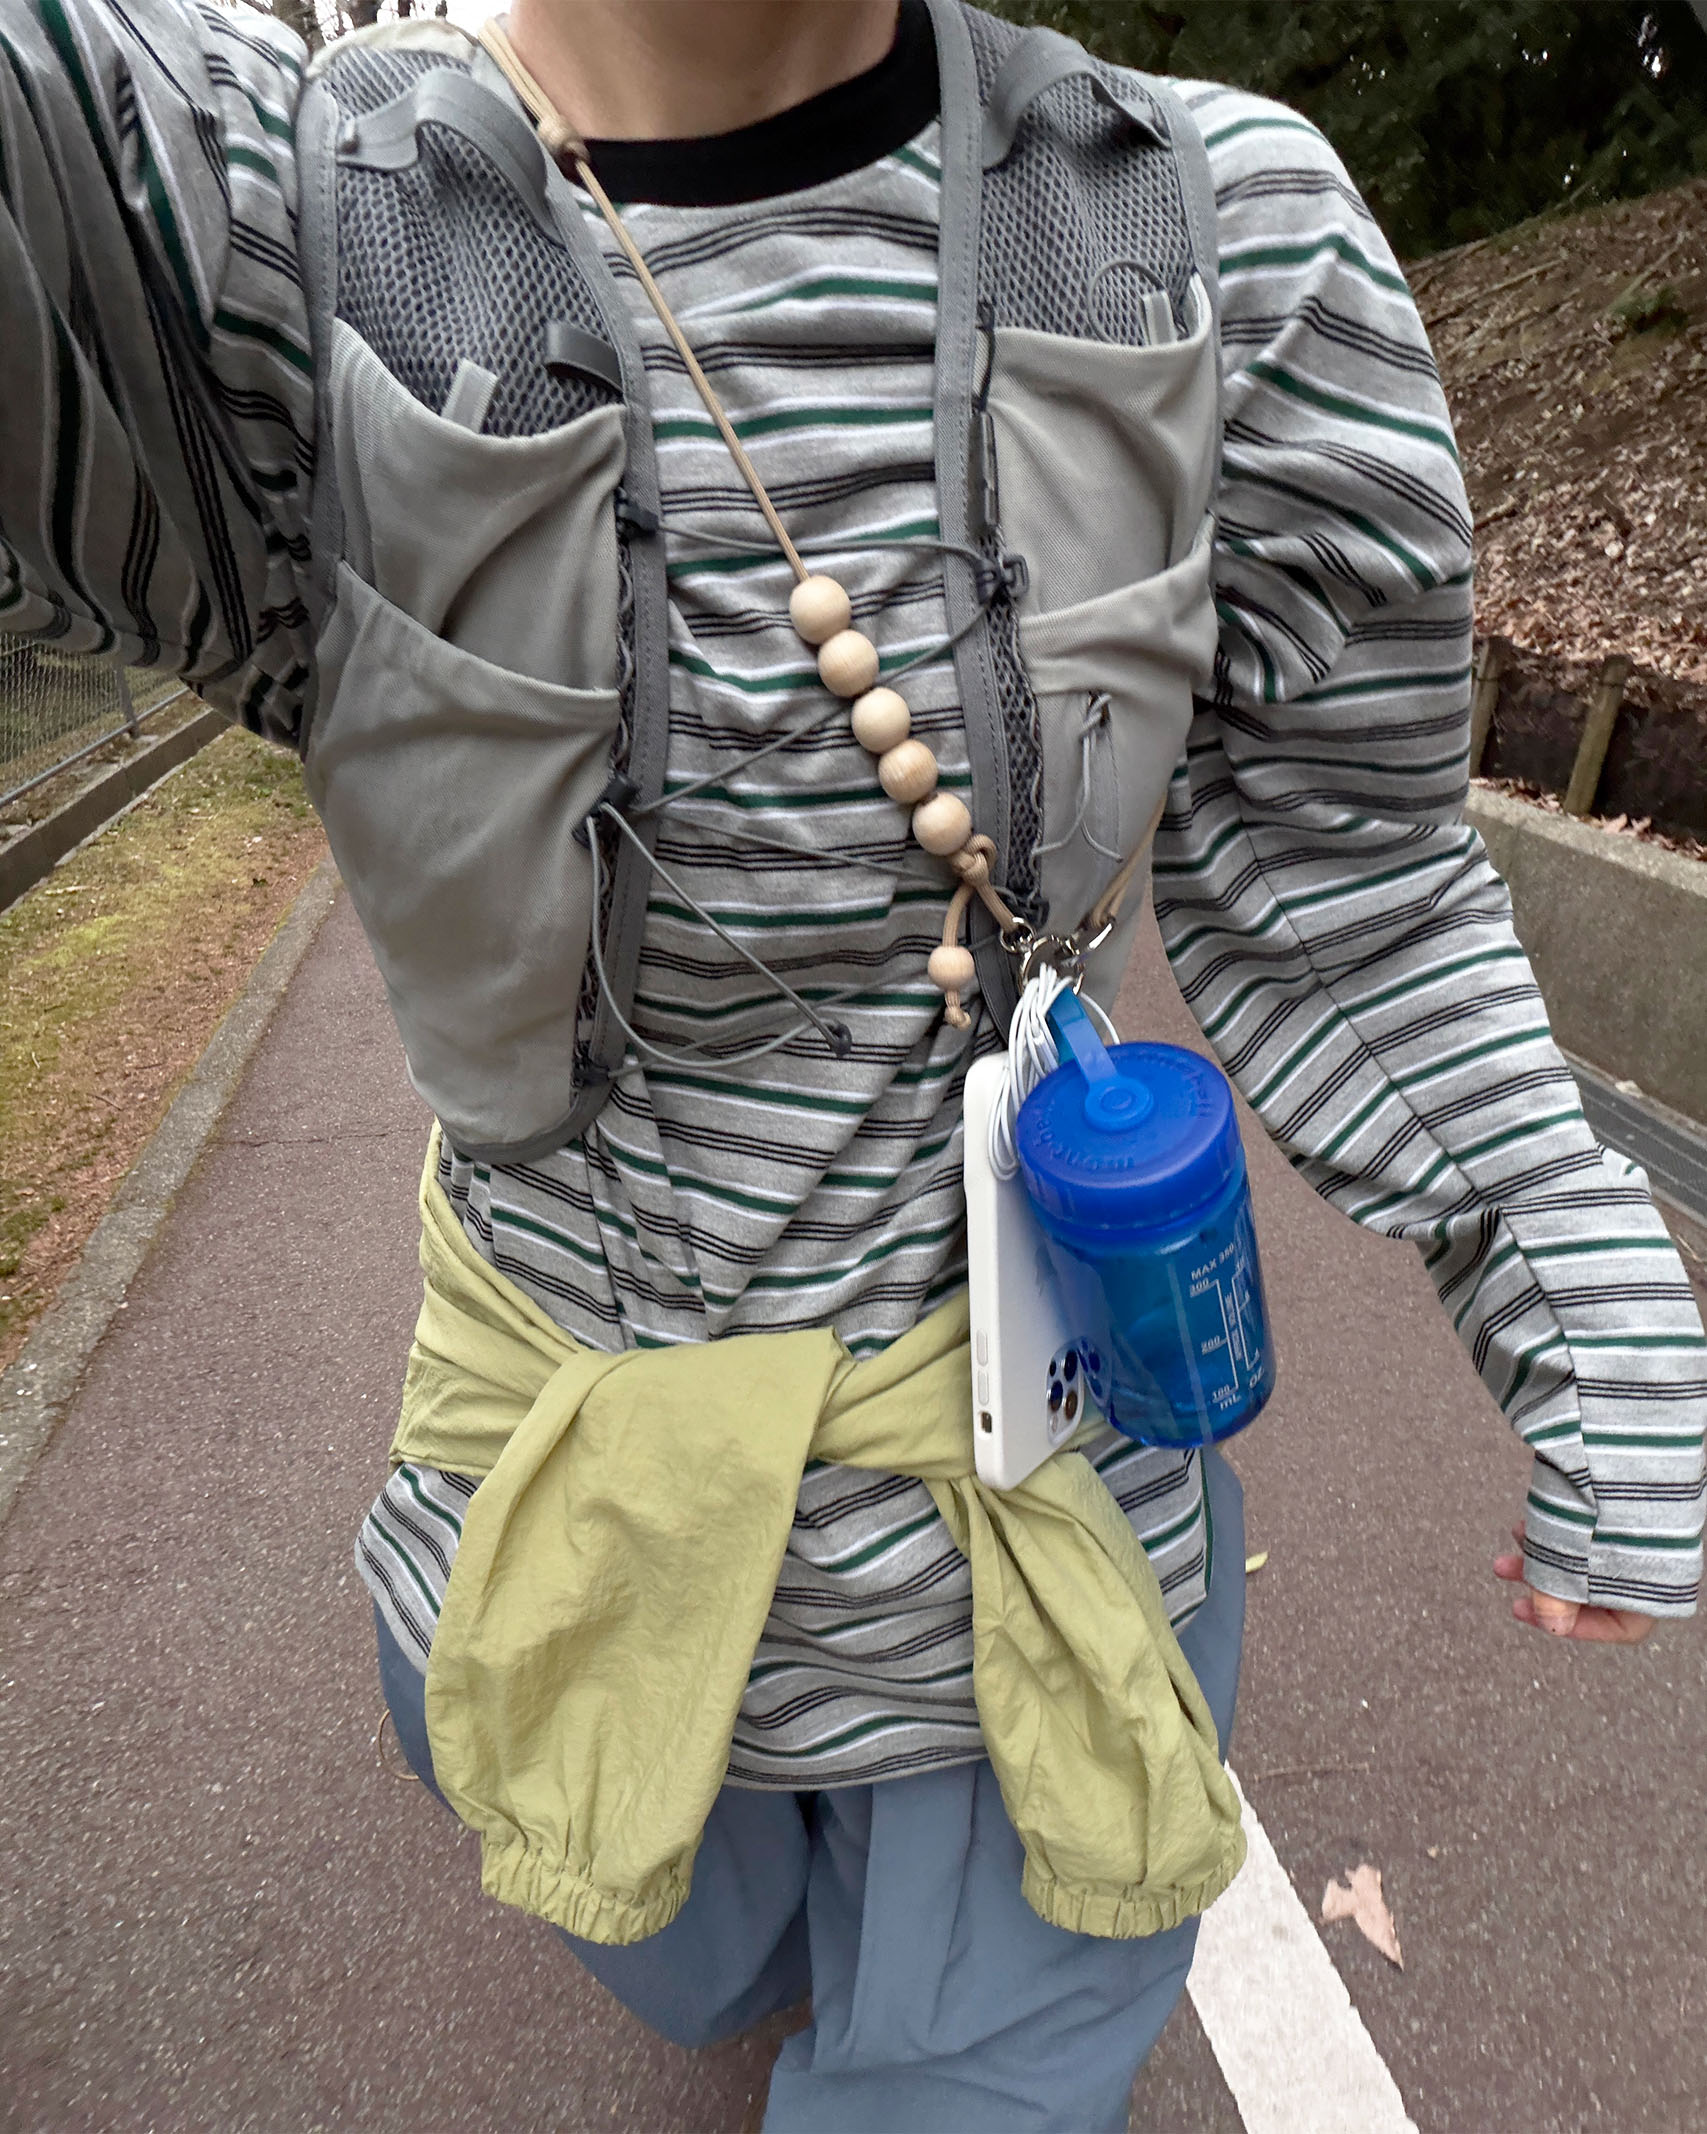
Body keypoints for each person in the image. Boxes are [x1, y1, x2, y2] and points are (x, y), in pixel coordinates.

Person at [2, 1, 1701, 2127]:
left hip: (1050, 1543)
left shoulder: (1201, 231)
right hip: (563, 1529)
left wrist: (1581, 1285)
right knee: (700, 1940)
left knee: (973, 2056)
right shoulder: (265, 237)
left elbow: (1348, 864)